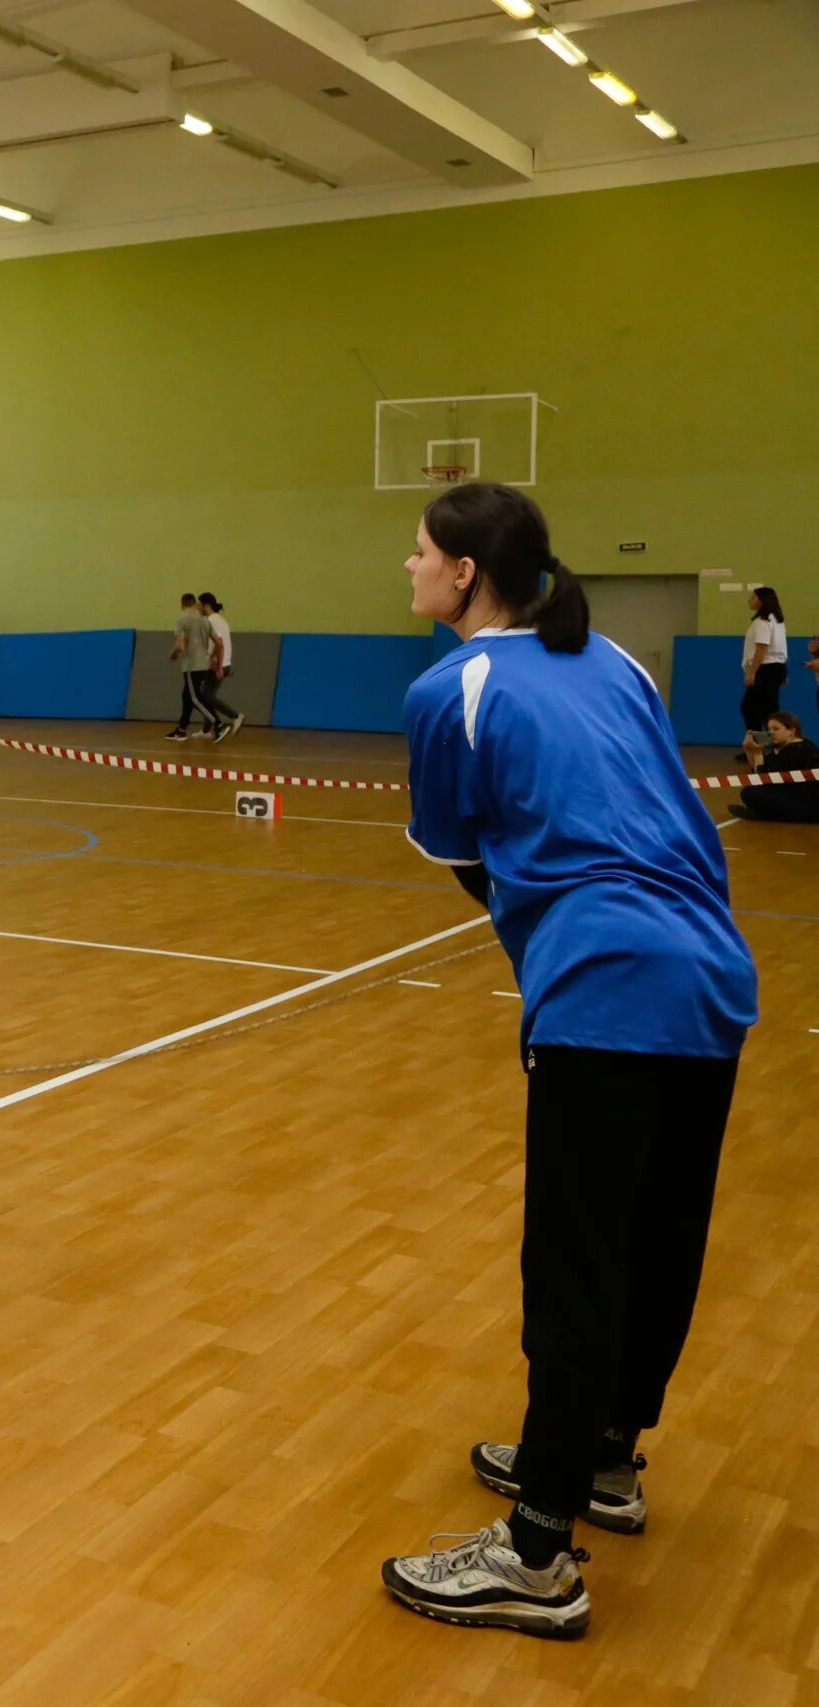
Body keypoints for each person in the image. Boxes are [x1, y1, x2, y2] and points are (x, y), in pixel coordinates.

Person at [382, 481, 757, 1639]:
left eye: (417, 553)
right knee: (656, 1239)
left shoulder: (454, 686)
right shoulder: (617, 665)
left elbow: (460, 851)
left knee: (577, 1261)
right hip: (712, 970)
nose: (407, 568)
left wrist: (554, 942)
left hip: (606, 988)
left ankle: (539, 1551)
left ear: (461, 575)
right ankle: (604, 1459)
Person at [729, 709, 819, 824]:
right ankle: (767, 813)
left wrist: (757, 753)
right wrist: (750, 751)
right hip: (802, 801)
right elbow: (759, 772)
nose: (771, 733)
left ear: (791, 730)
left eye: (776, 729)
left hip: (808, 806)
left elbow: (762, 781)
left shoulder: (798, 750)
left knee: (749, 792)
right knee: (752, 791)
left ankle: (765, 815)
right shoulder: (788, 748)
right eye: (769, 729)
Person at [739, 585, 788, 763]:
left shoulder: (762, 621)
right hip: (775, 668)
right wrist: (782, 673)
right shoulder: (777, 620)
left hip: (765, 670)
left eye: (753, 597)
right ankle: (766, 749)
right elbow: (779, 649)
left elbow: (762, 648)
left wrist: (752, 673)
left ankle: (762, 749)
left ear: (761, 601)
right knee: (767, 710)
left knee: (752, 709)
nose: (750, 601)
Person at [166, 593, 217, 740]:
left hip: (191, 665)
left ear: (182, 605)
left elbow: (180, 645)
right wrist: (213, 658)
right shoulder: (205, 621)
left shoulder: (182, 620)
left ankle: (218, 723)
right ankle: (182, 729)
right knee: (188, 696)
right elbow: (219, 642)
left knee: (195, 698)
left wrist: (173, 654)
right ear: (194, 603)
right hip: (203, 664)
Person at [197, 592, 245, 742]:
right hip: (223, 663)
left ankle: (235, 716)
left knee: (205, 697)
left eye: (200, 604)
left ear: (207, 605)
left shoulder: (210, 621)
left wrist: (217, 666)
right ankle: (206, 730)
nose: (198, 608)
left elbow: (220, 644)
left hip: (218, 665)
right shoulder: (221, 620)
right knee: (205, 695)